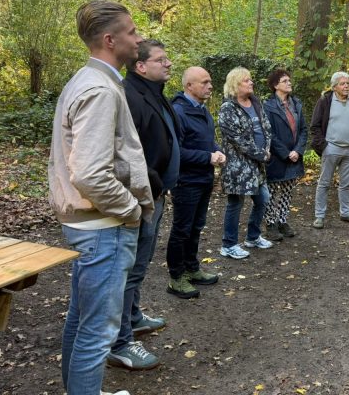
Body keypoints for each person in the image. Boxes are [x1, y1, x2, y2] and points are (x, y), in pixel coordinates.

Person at [48, 0, 152, 395]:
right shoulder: (100, 89)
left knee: (80, 319)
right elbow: (90, 172)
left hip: (90, 224)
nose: (137, 38)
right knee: (98, 330)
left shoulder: (88, 81)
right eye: (131, 32)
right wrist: (130, 210)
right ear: (110, 40)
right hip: (104, 226)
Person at [107, 39, 178, 371]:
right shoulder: (129, 96)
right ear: (141, 66)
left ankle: (133, 317)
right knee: (130, 270)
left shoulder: (153, 93)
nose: (168, 65)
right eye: (161, 60)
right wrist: (154, 182)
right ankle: (120, 342)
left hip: (156, 193)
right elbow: (127, 151)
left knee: (140, 265)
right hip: (141, 195)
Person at [166, 66, 225, 299]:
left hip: (204, 178)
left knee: (196, 227)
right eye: (204, 82)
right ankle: (176, 277)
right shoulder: (178, 112)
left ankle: (191, 268)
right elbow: (176, 151)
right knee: (182, 230)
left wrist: (218, 151)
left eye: (210, 82)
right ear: (189, 86)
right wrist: (208, 157)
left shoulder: (202, 110)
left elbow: (208, 141)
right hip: (186, 181)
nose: (210, 86)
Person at [219, 67, 275, 258]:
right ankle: (229, 244)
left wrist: (267, 148)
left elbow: (266, 127)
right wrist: (262, 154)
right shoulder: (228, 108)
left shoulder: (255, 103)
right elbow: (239, 140)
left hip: (257, 165)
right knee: (235, 204)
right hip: (238, 167)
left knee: (263, 199)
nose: (251, 83)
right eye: (246, 80)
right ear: (235, 84)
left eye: (250, 80)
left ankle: (253, 236)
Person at [310, 71, 349, 229]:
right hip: (331, 148)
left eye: (347, 83)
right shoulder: (325, 101)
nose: (346, 86)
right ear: (334, 87)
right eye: (343, 83)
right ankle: (319, 216)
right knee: (324, 183)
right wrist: (324, 147)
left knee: (346, 184)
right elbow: (315, 126)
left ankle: (345, 213)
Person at [262, 69, 308, 241]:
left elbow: (303, 129)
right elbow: (269, 134)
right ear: (275, 86)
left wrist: (298, 150)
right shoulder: (268, 106)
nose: (289, 83)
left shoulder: (296, 103)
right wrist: (286, 153)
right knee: (273, 192)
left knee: (287, 191)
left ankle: (282, 221)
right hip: (277, 157)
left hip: (294, 156)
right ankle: (271, 224)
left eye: (289, 80)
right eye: (285, 81)